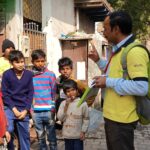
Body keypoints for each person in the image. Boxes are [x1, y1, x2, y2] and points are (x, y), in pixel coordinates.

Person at [88, 10, 149, 150]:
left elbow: (141, 87)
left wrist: (107, 82)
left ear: (116, 29)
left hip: (122, 119)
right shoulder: (119, 50)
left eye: (106, 28)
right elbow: (114, 73)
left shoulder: (134, 51)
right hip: (113, 116)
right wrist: (98, 60)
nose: (103, 32)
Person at [1, 50, 34, 150]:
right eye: (17, 62)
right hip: (10, 108)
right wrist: (14, 109)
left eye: (22, 61)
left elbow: (30, 93)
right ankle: (11, 147)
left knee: (25, 136)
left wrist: (26, 110)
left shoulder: (29, 74)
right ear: (11, 63)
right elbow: (5, 94)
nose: (20, 64)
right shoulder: (7, 74)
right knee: (8, 129)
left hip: (24, 108)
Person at [31, 49, 57, 150]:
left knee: (52, 137)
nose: (40, 63)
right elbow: (29, 94)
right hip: (36, 112)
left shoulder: (50, 74)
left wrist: (53, 109)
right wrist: (31, 110)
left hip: (48, 111)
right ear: (33, 62)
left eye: (42, 61)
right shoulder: (30, 75)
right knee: (41, 138)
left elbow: (54, 93)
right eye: (37, 61)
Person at [55, 57, 87, 129]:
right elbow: (57, 95)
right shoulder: (58, 82)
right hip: (62, 110)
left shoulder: (76, 82)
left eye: (67, 69)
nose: (65, 71)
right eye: (63, 69)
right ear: (59, 70)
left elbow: (86, 93)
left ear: (71, 70)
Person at [57, 79, 89, 150]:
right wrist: (66, 106)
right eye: (68, 91)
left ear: (77, 90)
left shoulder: (83, 104)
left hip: (78, 136)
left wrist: (83, 131)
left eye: (73, 90)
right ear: (65, 93)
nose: (71, 93)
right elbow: (60, 118)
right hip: (67, 135)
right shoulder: (63, 104)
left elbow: (86, 119)